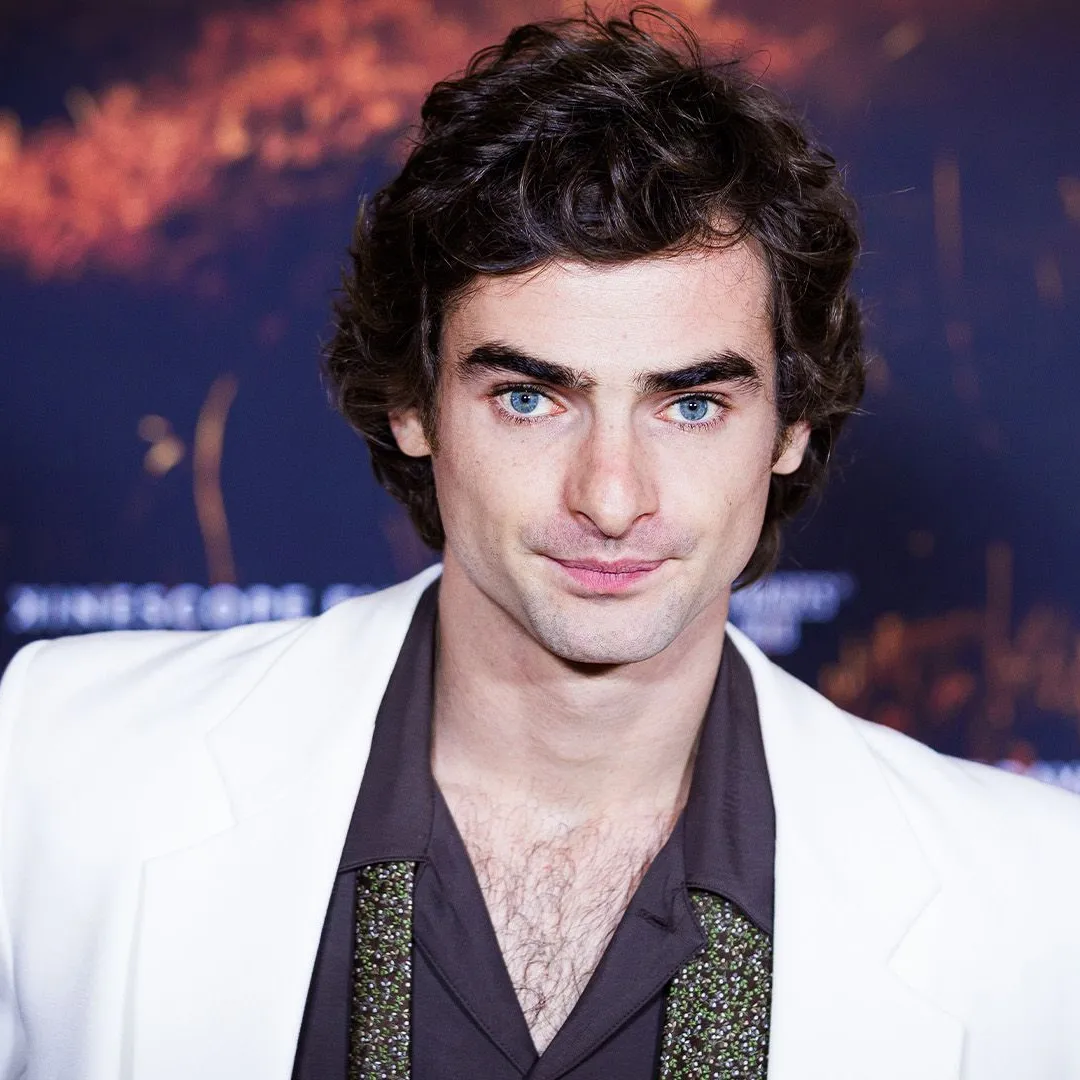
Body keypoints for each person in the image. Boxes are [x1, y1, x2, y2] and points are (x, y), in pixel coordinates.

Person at [1, 8, 1078, 1079]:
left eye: (691, 405)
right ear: (412, 404)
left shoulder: (1029, 902)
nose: (610, 497)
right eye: (529, 398)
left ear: (790, 427)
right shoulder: (64, 769)